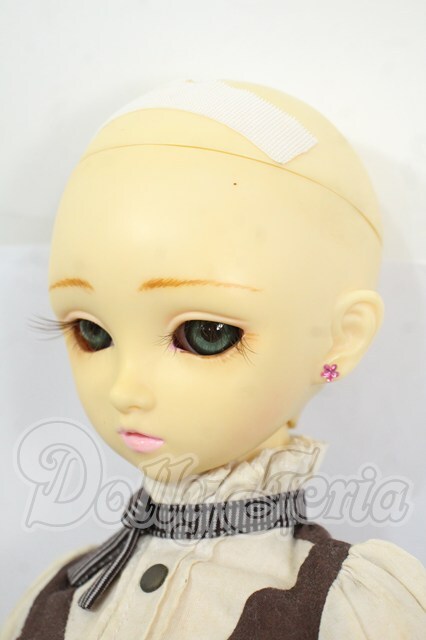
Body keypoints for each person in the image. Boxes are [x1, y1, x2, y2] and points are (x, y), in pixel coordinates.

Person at [1, 79, 425, 639]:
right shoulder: (61, 593)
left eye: (205, 334)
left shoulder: (347, 607)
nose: (126, 389)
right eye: (92, 332)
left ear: (339, 339)